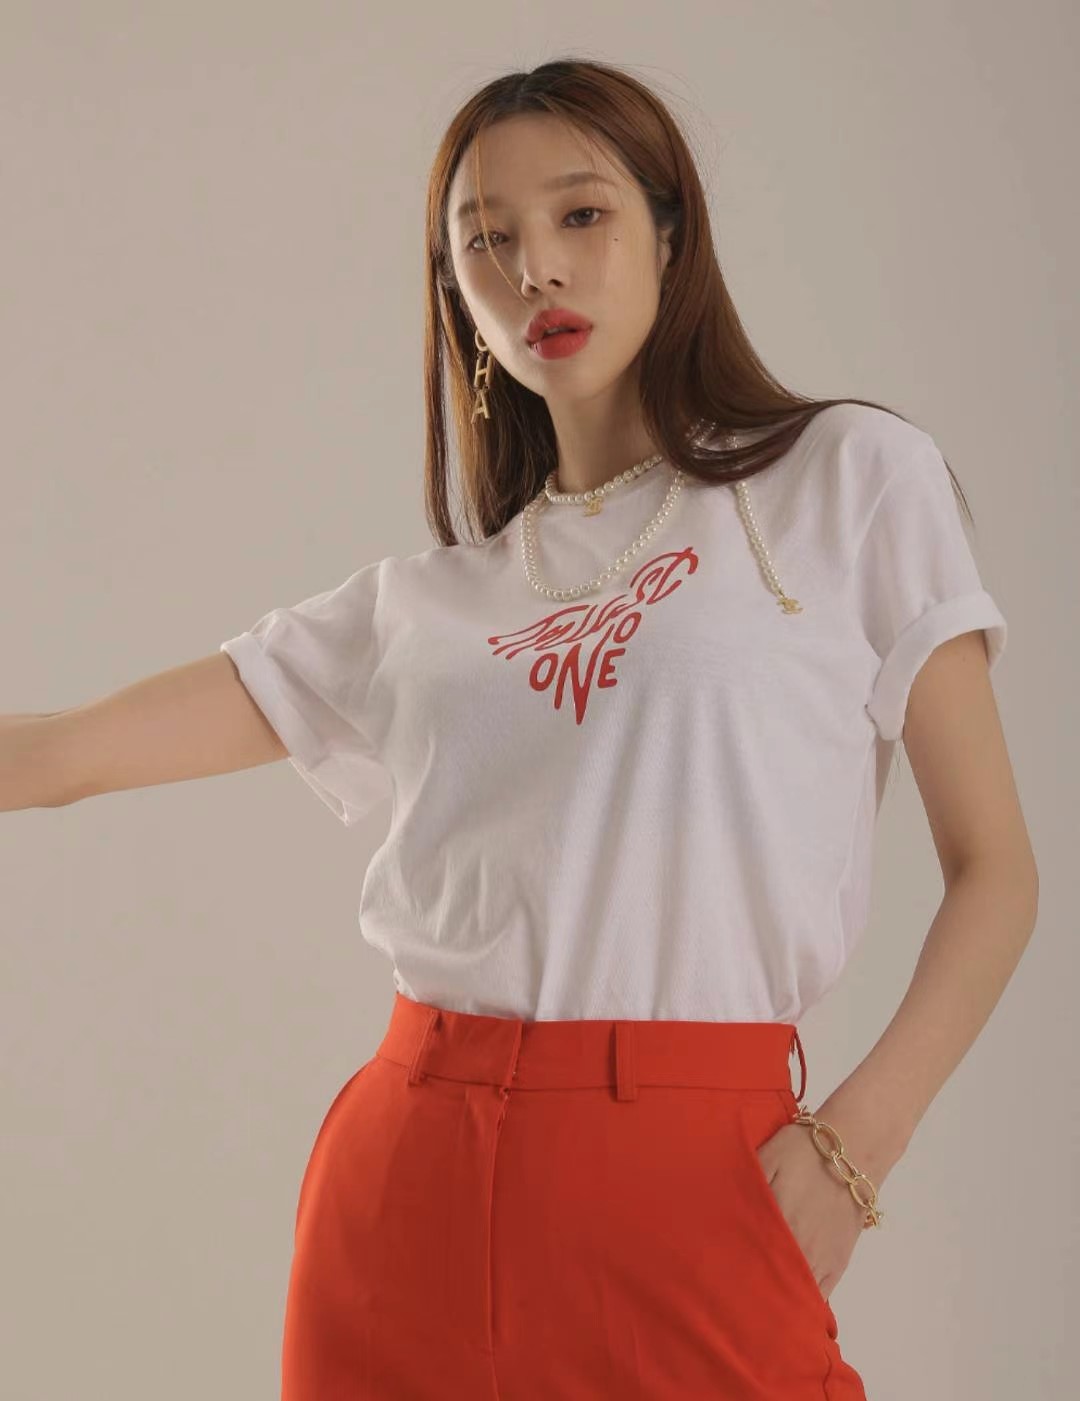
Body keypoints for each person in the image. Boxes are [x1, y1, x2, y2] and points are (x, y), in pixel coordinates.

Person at [4, 57, 1039, 1400]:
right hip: (407, 1185)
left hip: (699, 1176)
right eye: (484, 242)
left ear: (671, 231)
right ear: (455, 293)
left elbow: (995, 870)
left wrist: (856, 1147)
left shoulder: (847, 481)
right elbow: (60, 756)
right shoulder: (421, 606)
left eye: (580, 215)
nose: (535, 266)